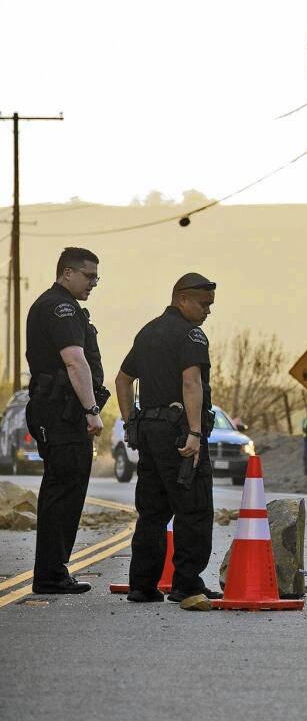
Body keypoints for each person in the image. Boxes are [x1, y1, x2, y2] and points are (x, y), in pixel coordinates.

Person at [114, 273, 221, 611]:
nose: (207, 312)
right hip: (178, 435)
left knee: (152, 512)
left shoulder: (147, 331)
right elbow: (192, 383)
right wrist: (194, 432)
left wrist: (131, 420)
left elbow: (122, 379)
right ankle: (186, 585)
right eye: (203, 304)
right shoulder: (191, 335)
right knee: (194, 509)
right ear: (182, 299)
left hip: (149, 432)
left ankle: (142, 586)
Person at [25, 247, 106, 594]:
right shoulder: (61, 307)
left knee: (64, 488)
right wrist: (91, 411)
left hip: (59, 412)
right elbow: (75, 362)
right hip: (61, 413)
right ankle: (51, 574)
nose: (94, 283)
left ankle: (53, 571)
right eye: (89, 276)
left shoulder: (60, 305)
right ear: (67, 273)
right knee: (64, 489)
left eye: (97, 278)